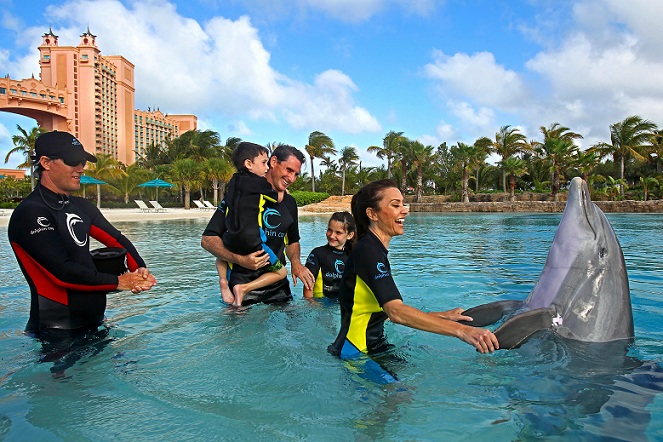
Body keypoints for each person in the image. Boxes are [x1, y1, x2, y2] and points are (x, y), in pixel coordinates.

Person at [328, 179, 498, 380]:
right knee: (399, 396)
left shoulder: (373, 249)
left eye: (403, 203)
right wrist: (463, 332)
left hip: (373, 345)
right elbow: (396, 312)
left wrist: (441, 316)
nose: (405, 210)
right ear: (372, 214)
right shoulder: (368, 252)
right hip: (356, 353)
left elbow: (383, 313)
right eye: (395, 205)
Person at [8, 131, 157, 336]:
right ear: (45, 162)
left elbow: (117, 240)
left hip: (96, 325)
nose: (80, 168)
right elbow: (62, 273)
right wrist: (119, 282)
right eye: (72, 161)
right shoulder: (31, 212)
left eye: (82, 162)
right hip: (55, 334)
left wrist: (140, 269)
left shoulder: (82, 207)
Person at [201, 144, 314, 305]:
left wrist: (296, 263)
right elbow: (208, 240)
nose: (292, 179)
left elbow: (292, 241)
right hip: (240, 285)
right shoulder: (240, 195)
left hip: (277, 286)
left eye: (296, 174)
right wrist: (239, 259)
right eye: (289, 170)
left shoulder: (289, 202)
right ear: (273, 162)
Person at [215, 142, 287, 306]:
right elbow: (277, 198)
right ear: (248, 164)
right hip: (253, 242)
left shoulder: (233, 181)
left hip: (230, 237)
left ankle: (223, 282)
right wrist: (283, 190)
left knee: (220, 256)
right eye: (263, 163)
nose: (267, 168)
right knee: (281, 272)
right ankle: (243, 289)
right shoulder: (259, 183)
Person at [303, 211, 356, 299]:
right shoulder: (317, 254)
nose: (332, 235)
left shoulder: (353, 256)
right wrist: (312, 305)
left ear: (350, 235)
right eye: (329, 230)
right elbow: (308, 286)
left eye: (338, 233)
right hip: (322, 303)